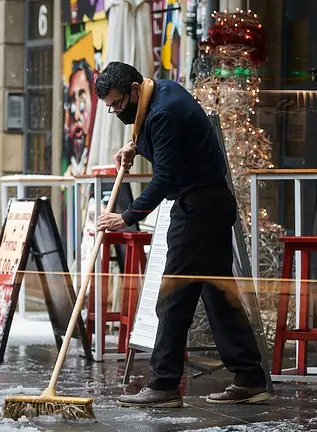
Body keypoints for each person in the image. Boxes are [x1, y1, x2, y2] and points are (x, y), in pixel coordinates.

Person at [94, 62, 269, 408]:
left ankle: (164, 384)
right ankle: (249, 376)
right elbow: (166, 145)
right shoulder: (162, 93)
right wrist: (134, 148)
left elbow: (165, 178)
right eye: (110, 108)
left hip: (198, 210)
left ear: (132, 89)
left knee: (173, 297)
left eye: (116, 104)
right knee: (218, 295)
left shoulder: (163, 112)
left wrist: (127, 216)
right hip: (210, 204)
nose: (116, 112)